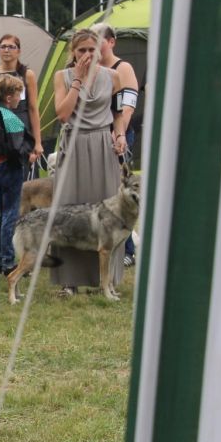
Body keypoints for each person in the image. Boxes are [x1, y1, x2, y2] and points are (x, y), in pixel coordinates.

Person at [52, 28, 125, 297]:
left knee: (108, 212)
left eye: (91, 50)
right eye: (81, 50)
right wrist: (78, 81)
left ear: (100, 50)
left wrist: (119, 134)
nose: (86, 55)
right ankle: (68, 280)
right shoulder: (62, 77)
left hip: (102, 146)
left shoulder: (113, 76)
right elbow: (62, 114)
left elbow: (117, 113)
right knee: (69, 209)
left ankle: (106, 279)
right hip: (74, 145)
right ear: (73, 52)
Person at [90, 22, 140, 267]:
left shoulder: (123, 67)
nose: (94, 44)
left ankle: (128, 249)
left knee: (120, 193)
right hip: (92, 136)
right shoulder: (87, 68)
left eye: (98, 39)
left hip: (116, 136)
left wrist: (117, 132)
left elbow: (127, 105)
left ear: (111, 42)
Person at [0, 74, 29, 275]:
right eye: (19, 94)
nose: (20, 98)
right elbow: (16, 145)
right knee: (10, 215)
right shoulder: (10, 116)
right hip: (10, 168)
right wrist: (26, 154)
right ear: (9, 96)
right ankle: (8, 261)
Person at [0, 34, 44, 168]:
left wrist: (37, 142)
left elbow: (33, 108)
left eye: (11, 47)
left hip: (21, 130)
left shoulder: (27, 74)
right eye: (3, 47)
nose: (7, 50)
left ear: (18, 51)